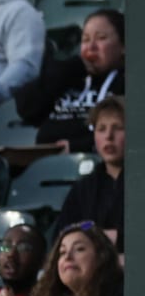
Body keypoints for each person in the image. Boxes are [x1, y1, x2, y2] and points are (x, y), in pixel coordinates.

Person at [18, 10, 123, 154]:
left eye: (101, 38)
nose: (91, 47)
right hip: (44, 164)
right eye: (85, 40)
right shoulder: (69, 77)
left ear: (124, 47)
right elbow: (27, 110)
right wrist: (72, 68)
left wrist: (78, 147)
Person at [55, 99, 124, 246]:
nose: (108, 136)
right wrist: (88, 229)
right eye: (101, 129)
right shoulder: (84, 188)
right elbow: (68, 230)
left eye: (118, 128)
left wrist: (116, 236)